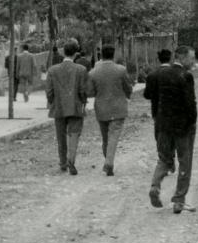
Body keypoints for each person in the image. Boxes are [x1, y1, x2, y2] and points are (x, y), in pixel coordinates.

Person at [144, 45, 197, 214]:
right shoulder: (186, 76)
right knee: (184, 161)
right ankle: (179, 200)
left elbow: (154, 98)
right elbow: (190, 104)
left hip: (163, 125)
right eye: (191, 57)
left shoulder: (161, 74)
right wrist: (192, 122)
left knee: (164, 159)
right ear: (181, 58)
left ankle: (155, 185)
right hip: (182, 127)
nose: (193, 60)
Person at [87, 45, 133, 176]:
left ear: (101, 55)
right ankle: (108, 164)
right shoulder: (121, 70)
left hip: (101, 109)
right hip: (118, 108)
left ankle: (108, 163)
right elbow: (128, 87)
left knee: (106, 138)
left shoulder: (93, 72)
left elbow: (90, 92)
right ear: (113, 55)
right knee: (113, 137)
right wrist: (128, 96)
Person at [45, 39, 88, 174]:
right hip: (75, 106)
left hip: (58, 107)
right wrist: (83, 101)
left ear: (63, 52)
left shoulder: (52, 70)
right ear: (76, 53)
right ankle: (71, 160)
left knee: (60, 136)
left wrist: (51, 101)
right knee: (74, 134)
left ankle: (63, 162)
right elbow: (83, 90)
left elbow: (49, 91)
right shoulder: (81, 69)